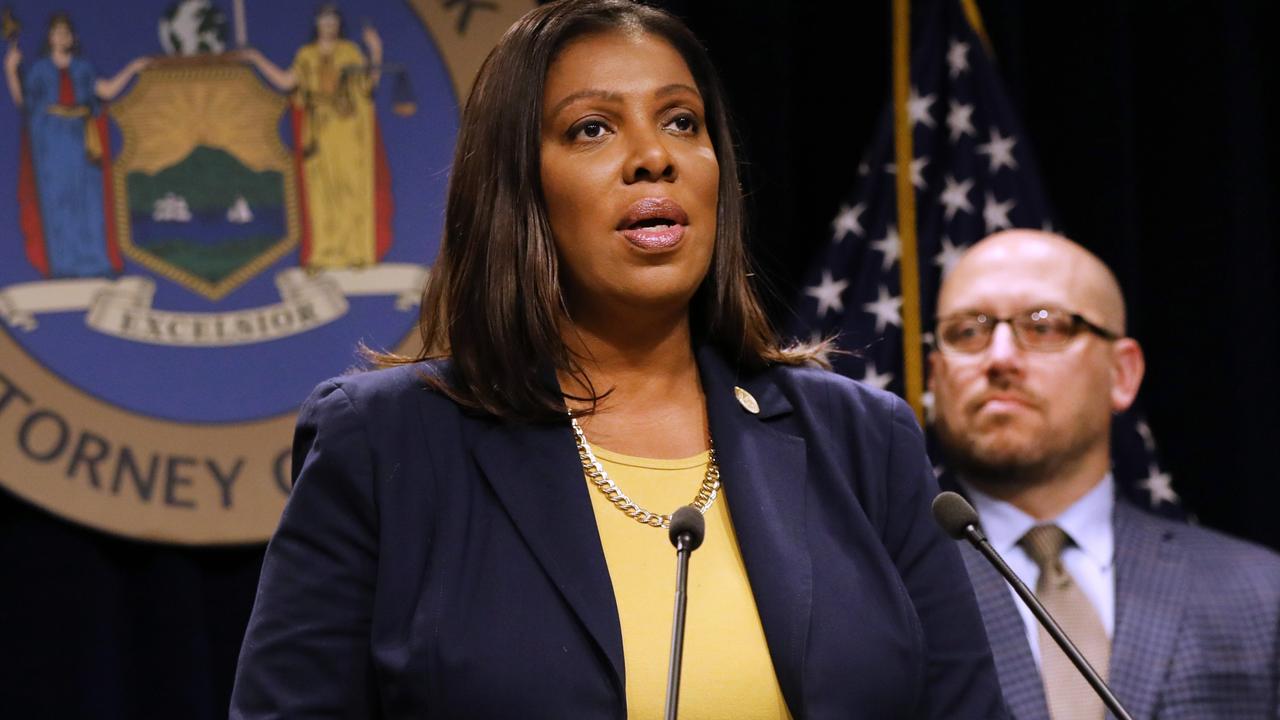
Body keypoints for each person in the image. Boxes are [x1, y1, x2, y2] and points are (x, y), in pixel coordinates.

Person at [231, 1, 1007, 717]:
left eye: (681, 121)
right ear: (517, 186)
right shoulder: (388, 445)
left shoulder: (861, 441)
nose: (652, 157)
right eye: (592, 129)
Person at [929, 229, 1280, 720]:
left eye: (1044, 325)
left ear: (1123, 373)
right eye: (968, 332)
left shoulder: (1262, 594)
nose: (1000, 358)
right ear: (936, 375)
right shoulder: (887, 588)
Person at [238, 3, 392, 270]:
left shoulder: (349, 52)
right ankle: (325, 252)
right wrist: (255, 59)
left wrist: (375, 50)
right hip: (318, 132)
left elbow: (368, 84)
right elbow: (288, 82)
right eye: (324, 20)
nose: (329, 25)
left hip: (347, 131)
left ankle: (354, 251)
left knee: (350, 188)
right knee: (321, 192)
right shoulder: (306, 55)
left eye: (333, 21)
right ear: (318, 24)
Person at [3, 12, 148, 278]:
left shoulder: (83, 68)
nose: (62, 37)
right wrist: (10, 70)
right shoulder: (39, 70)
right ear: (50, 37)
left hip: (83, 141)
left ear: (73, 37)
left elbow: (105, 91)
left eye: (66, 32)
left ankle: (94, 262)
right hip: (52, 143)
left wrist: (133, 67)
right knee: (58, 201)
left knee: (88, 202)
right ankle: (64, 265)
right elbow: (24, 102)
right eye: (57, 32)